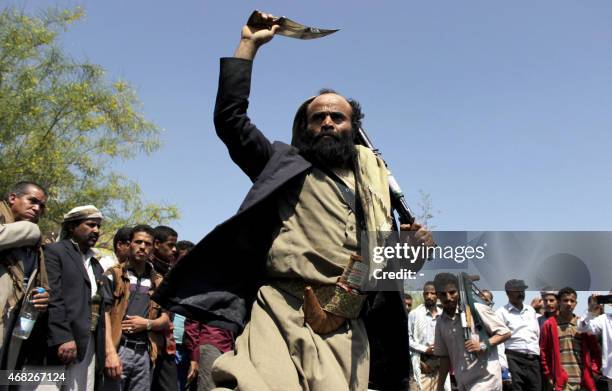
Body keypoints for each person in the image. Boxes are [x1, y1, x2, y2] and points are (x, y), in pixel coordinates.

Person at [154, 11, 434, 391]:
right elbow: (230, 121)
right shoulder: (282, 164)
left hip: (345, 323)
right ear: (305, 128)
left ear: (353, 128)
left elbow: (384, 273)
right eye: (318, 118)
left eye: (338, 116)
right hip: (282, 310)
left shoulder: (374, 187)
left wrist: (414, 251)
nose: (328, 123)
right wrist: (248, 45)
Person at [45, 205, 107, 390]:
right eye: (90, 225)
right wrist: (64, 337)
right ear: (72, 227)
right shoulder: (54, 252)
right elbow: (53, 297)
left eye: (98, 226)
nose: (96, 230)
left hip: (86, 344)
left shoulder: (96, 265)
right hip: (58, 344)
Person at [103, 225, 171, 391]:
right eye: (138, 242)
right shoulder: (113, 275)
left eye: (147, 243)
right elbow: (103, 316)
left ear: (152, 247)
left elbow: (166, 318)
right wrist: (110, 353)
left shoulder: (159, 282)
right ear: (130, 244)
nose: (142, 246)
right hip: (119, 350)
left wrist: (147, 324)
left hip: (145, 353)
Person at [0, 181, 50, 368]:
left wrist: (43, 296)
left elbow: (33, 280)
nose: (37, 208)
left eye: (41, 206)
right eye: (32, 201)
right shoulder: (29, 231)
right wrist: (30, 229)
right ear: (13, 198)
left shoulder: (34, 245)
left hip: (15, 322)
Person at [433, 273, 511, 391]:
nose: (448, 298)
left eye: (452, 292)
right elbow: (444, 358)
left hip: (486, 379)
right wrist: (439, 387)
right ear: (438, 295)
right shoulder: (440, 322)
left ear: (459, 291)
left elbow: (505, 333)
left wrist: (483, 344)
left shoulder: (477, 308)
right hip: (463, 382)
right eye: (443, 294)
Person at [539, 287, 600, 391]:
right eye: (565, 300)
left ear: (576, 303)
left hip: (583, 381)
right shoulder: (550, 324)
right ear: (559, 302)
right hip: (563, 382)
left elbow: (595, 350)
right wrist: (549, 375)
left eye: (572, 301)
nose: (569, 304)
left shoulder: (583, 324)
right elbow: (544, 352)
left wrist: (594, 370)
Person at [496, 279, 541, 391]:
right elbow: (499, 342)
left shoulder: (530, 310)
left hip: (533, 359)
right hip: (513, 358)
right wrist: (504, 367)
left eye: (522, 290)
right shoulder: (501, 313)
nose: (521, 293)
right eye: (516, 290)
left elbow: (536, 334)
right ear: (508, 293)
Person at [150, 225, 179, 391]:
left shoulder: (170, 271)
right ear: (156, 244)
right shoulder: (147, 271)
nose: (174, 250)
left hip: (167, 340)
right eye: (170, 245)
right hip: (149, 340)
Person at [408, 281, 449, 391]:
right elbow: (408, 339)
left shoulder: (444, 315)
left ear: (438, 295)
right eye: (426, 294)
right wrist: (426, 349)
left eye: (432, 293)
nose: (429, 296)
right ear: (423, 295)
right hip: (422, 365)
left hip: (440, 366)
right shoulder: (415, 314)